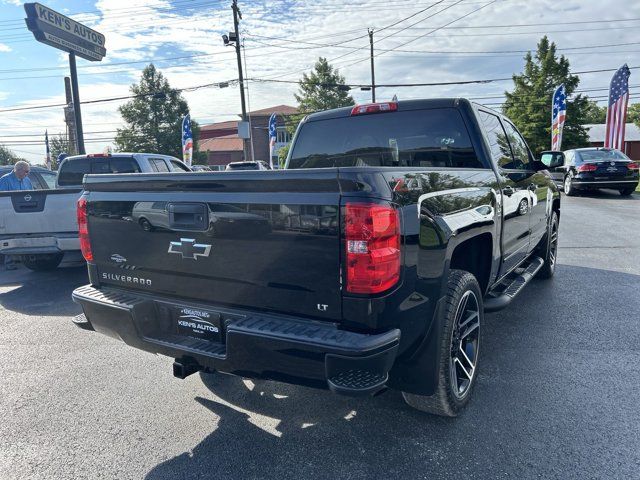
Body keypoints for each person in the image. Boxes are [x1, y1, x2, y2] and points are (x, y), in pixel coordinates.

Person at [0, 161, 32, 270]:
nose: (27, 174)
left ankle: (23, 259)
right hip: (9, 213)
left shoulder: (27, 180)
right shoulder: (5, 180)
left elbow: (31, 194)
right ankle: (9, 262)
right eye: (26, 171)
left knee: (24, 235)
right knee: (9, 237)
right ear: (18, 170)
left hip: (25, 213)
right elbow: (2, 198)